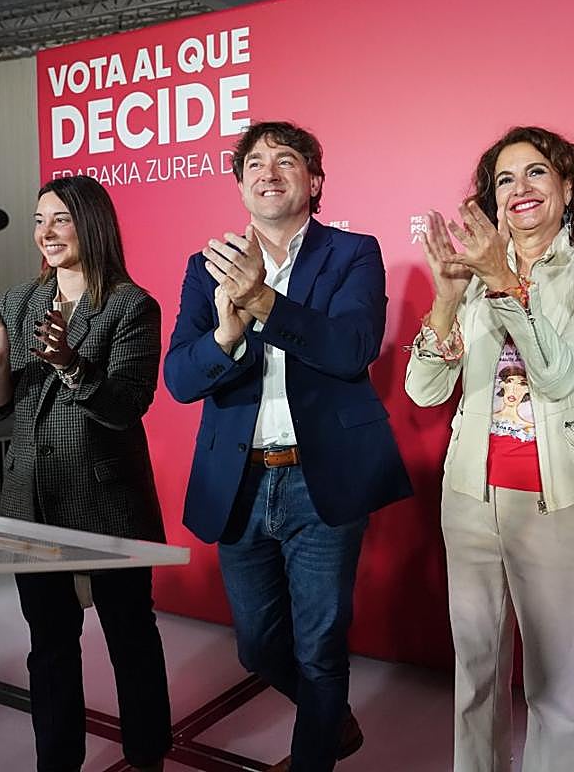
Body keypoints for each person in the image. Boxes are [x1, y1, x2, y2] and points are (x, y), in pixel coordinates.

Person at [165, 120, 412, 772]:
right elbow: (179, 379)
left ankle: (314, 752)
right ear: (240, 183)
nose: (266, 171)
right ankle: (332, 722)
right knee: (256, 646)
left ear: (315, 181)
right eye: (252, 163)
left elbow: (352, 349)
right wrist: (224, 335)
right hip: (239, 480)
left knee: (321, 646)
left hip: (318, 476)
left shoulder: (353, 253)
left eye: (285, 160)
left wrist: (262, 300)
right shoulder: (205, 265)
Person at [405, 126, 574, 772]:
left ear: (567, 188)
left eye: (536, 174)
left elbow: (558, 374)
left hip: (552, 503)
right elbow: (423, 387)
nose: (519, 189)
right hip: (469, 498)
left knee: (552, 689)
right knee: (474, 676)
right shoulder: (470, 278)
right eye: (504, 179)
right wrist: (447, 300)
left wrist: (503, 282)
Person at [0, 175, 171, 772]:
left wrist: (71, 363)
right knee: (48, 645)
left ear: (91, 225)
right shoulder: (21, 302)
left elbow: (125, 406)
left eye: (60, 219)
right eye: (39, 220)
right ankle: (57, 762)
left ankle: (148, 756)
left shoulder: (131, 305)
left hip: (107, 498)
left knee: (130, 637)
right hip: (31, 500)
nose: (46, 232)